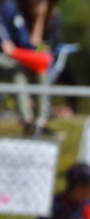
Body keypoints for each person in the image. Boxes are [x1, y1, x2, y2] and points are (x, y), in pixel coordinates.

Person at [0, 0, 50, 134]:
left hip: (14, 57)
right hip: (6, 59)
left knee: (41, 69)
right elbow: (7, 48)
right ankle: (27, 121)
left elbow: (29, 44)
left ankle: (40, 122)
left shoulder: (11, 7)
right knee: (17, 72)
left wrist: (39, 17)